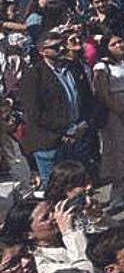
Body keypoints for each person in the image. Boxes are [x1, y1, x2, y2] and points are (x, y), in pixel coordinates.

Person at [18, 30, 82, 184]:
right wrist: (66, 128)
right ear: (42, 52)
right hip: (49, 141)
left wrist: (82, 124)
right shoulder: (33, 76)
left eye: (62, 45)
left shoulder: (72, 67)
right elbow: (34, 113)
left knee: (76, 184)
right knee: (54, 189)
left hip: (77, 135)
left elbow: (85, 97)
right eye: (55, 47)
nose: (61, 49)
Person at [92, 30, 124, 211]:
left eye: (120, 42)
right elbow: (103, 94)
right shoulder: (101, 67)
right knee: (118, 149)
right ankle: (116, 191)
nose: (119, 46)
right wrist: (122, 112)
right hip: (115, 112)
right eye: (114, 44)